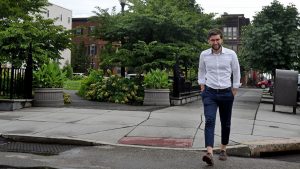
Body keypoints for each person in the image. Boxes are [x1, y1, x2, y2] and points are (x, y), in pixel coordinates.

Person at [198, 28, 241, 166]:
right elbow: (201, 70)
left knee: (225, 122)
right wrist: (202, 85)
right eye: (212, 40)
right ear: (209, 41)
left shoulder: (231, 54)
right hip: (210, 93)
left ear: (221, 39)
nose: (215, 42)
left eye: (217, 39)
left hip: (226, 93)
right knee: (209, 120)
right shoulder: (204, 55)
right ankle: (209, 152)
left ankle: (223, 149)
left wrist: (235, 88)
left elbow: (236, 70)